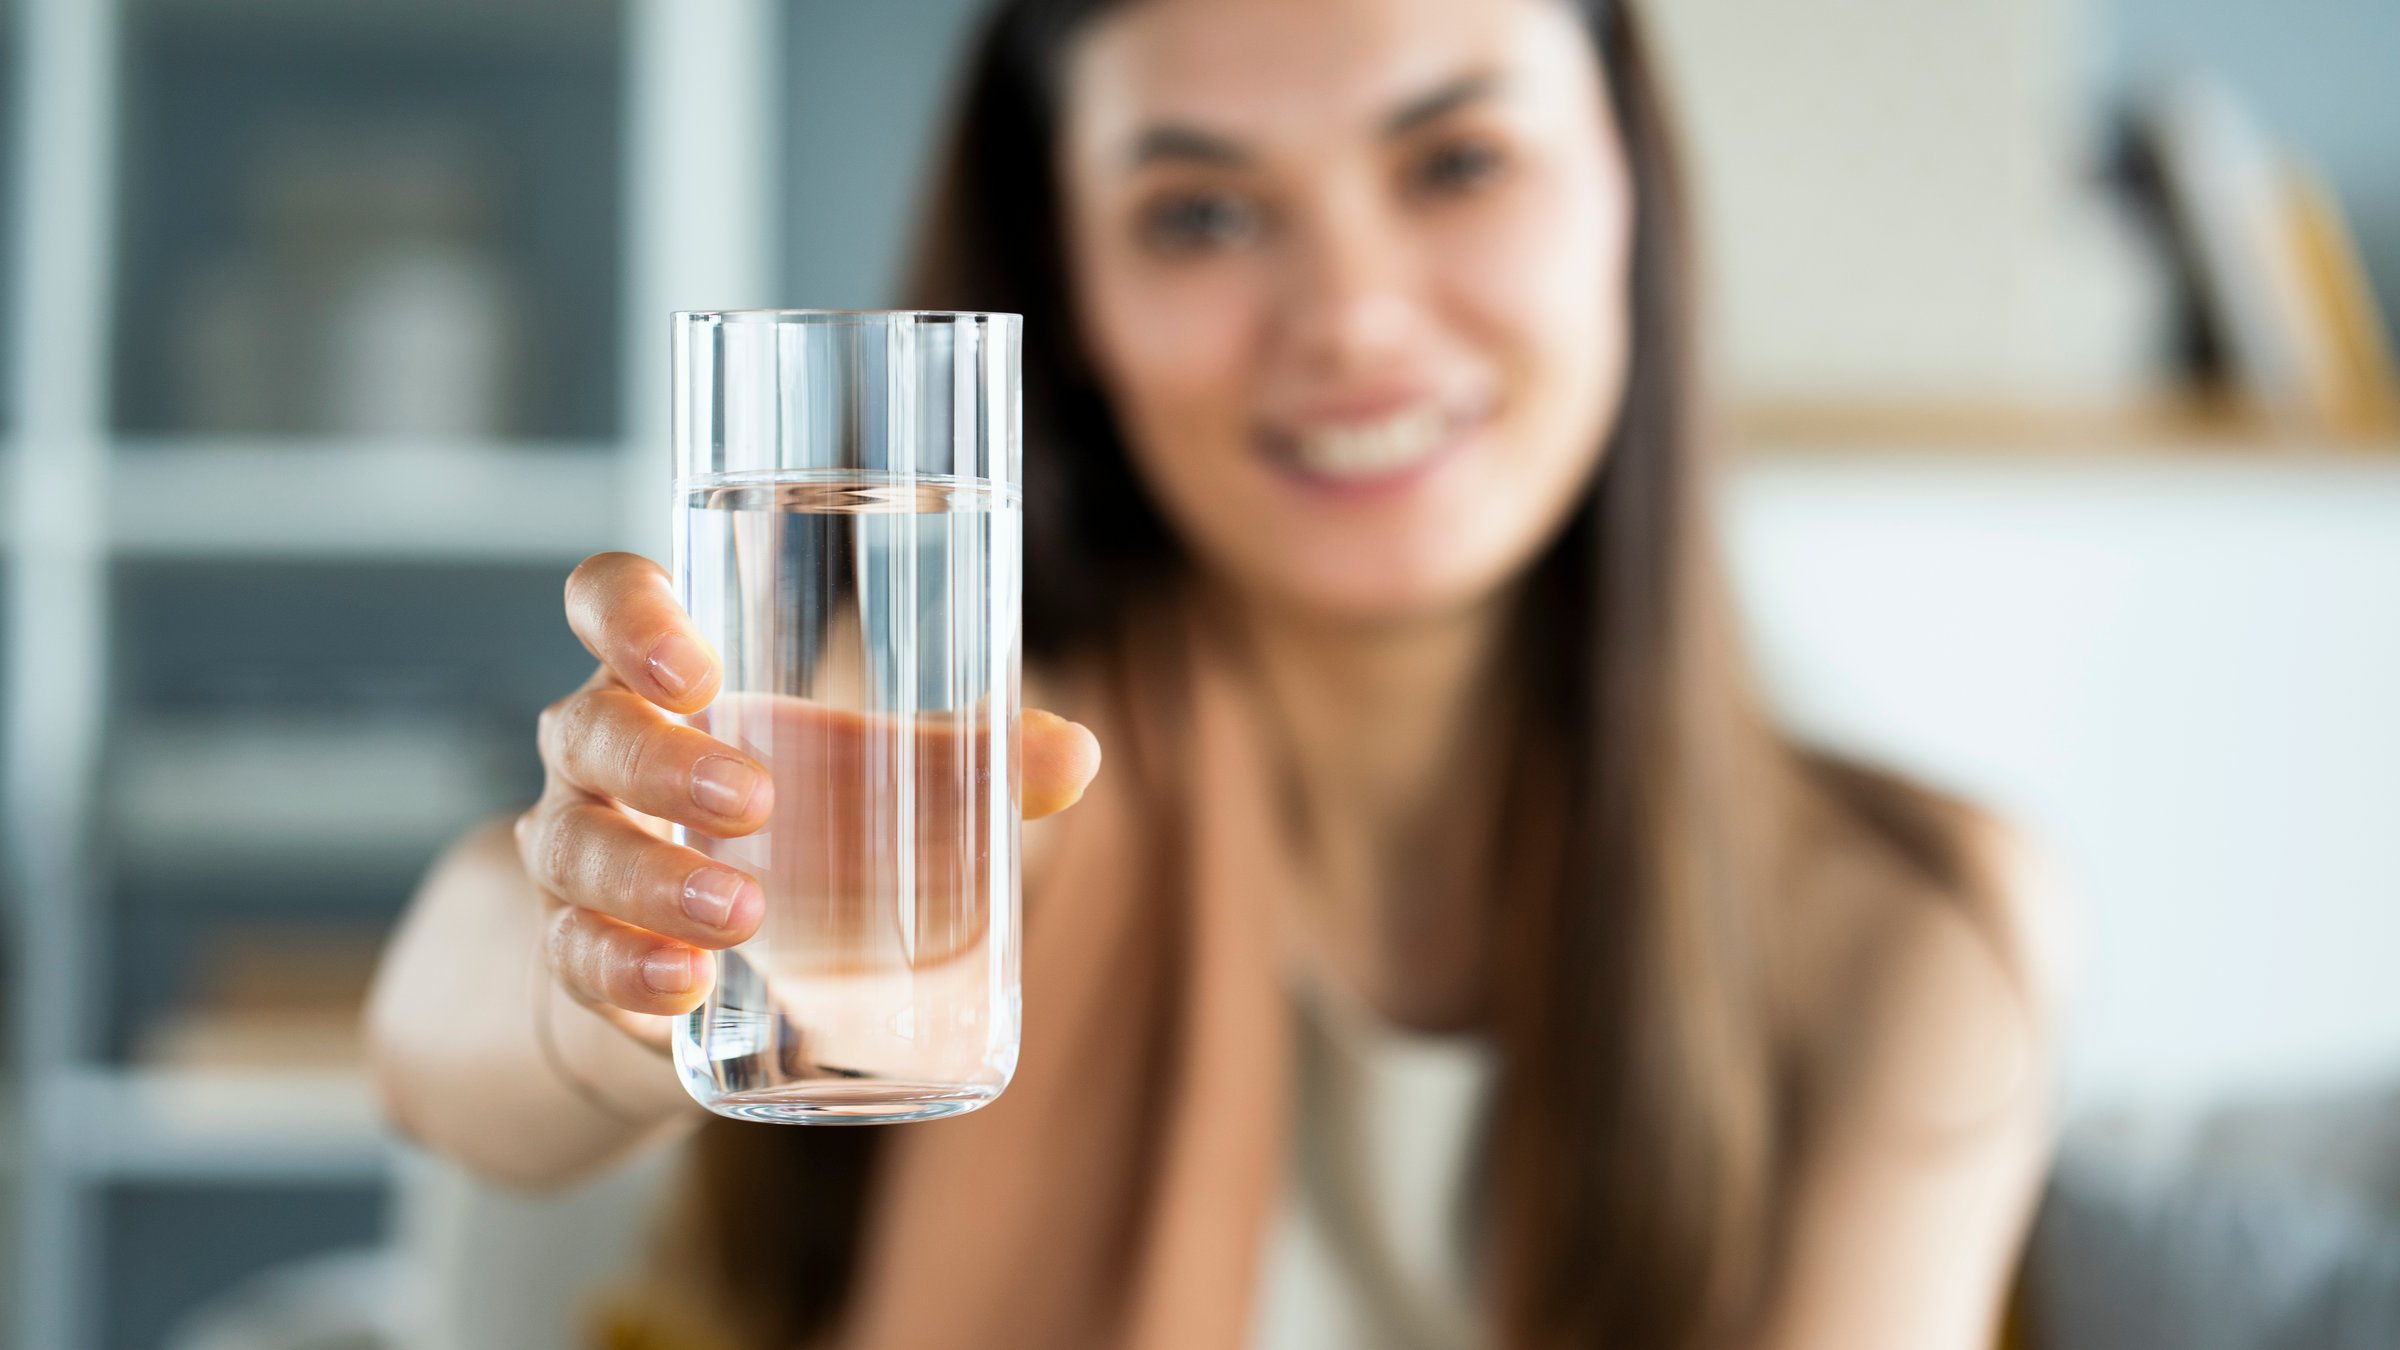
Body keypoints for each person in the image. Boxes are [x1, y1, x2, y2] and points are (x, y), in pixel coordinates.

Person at [368, 0, 2063, 1346]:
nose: (1350, 315)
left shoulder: (1899, 922)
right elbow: (437, 1020)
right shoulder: (959, 772)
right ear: (1074, 294)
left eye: (1457, 163)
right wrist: (601, 974)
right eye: (1198, 213)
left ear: (1630, 187)